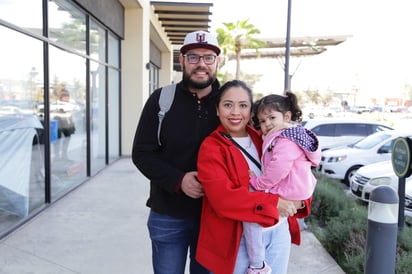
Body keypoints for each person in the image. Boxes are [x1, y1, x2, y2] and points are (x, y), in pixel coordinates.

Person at [196, 80, 311, 274]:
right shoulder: (211, 147)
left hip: (278, 231)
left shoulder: (264, 137)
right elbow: (223, 199)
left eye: (243, 105)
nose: (235, 112)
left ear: (251, 110)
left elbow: (298, 170)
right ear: (217, 110)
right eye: (227, 105)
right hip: (238, 239)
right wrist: (273, 203)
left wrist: (300, 201)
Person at [132, 30, 221, 274]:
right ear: (181, 60)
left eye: (208, 57)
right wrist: (179, 180)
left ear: (218, 62)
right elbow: (141, 153)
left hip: (216, 218)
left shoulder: (230, 102)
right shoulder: (161, 99)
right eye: (193, 57)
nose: (201, 64)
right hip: (168, 215)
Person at [243, 92, 321, 273]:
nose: (267, 124)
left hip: (289, 190)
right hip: (295, 188)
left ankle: (257, 265)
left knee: (253, 220)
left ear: (286, 116)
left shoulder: (285, 139)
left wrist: (258, 182)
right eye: (262, 121)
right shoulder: (287, 135)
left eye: (271, 117)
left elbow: (279, 168)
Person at [52, 89, 76, 160]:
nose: (66, 97)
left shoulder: (69, 105)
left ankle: (64, 154)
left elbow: (70, 114)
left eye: (67, 96)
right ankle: (57, 156)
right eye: (64, 96)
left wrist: (72, 123)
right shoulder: (57, 104)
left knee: (67, 139)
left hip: (67, 125)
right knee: (57, 141)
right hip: (59, 125)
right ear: (60, 97)